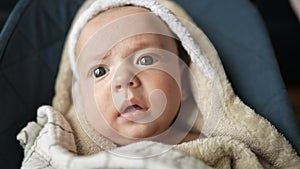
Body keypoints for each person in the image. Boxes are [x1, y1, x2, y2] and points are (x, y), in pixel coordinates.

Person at [17, 0, 300, 168]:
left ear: (186, 82)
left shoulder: (216, 147)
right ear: (80, 99)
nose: (124, 80)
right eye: (100, 70)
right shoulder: (60, 150)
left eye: (145, 59)